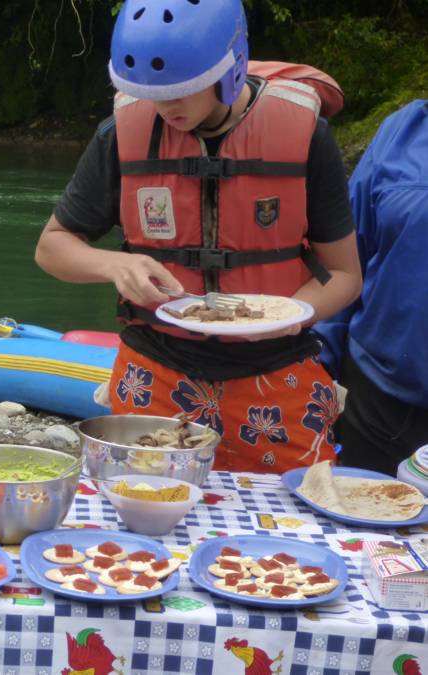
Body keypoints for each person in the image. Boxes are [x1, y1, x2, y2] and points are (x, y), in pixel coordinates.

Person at [35, 0, 362, 473]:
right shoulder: (121, 134)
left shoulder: (306, 135)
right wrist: (115, 265)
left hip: (275, 373)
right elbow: (52, 247)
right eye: (151, 92)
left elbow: (344, 273)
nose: (166, 106)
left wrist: (288, 317)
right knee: (144, 523)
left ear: (229, 68)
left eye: (182, 90)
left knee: (286, 527)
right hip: (155, 370)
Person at [314, 100, 428, 475]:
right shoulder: (403, 131)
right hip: (380, 406)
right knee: (358, 533)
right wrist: (317, 368)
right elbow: (344, 262)